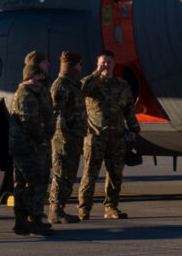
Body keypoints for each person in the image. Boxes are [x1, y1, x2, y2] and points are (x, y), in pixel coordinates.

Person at [5, 54, 58, 236]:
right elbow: (31, 122)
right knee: (35, 182)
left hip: (35, 145)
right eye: (44, 63)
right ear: (35, 71)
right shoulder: (25, 94)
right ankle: (33, 220)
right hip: (28, 147)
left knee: (25, 184)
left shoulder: (39, 90)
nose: (48, 65)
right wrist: (44, 137)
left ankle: (22, 222)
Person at [81, 53, 136, 221]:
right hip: (95, 136)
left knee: (115, 174)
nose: (106, 65)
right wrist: (96, 73)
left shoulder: (121, 85)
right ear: (97, 64)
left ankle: (111, 207)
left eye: (109, 62)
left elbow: (129, 108)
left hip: (116, 137)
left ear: (114, 64)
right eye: (102, 62)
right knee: (90, 174)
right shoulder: (92, 83)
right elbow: (81, 89)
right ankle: (84, 209)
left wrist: (133, 128)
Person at [49, 51, 89, 223]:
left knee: (68, 175)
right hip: (64, 140)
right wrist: (63, 136)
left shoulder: (72, 85)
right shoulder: (61, 86)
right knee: (61, 174)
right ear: (72, 66)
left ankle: (60, 208)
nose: (81, 68)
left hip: (73, 138)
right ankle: (55, 210)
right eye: (80, 64)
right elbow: (56, 113)